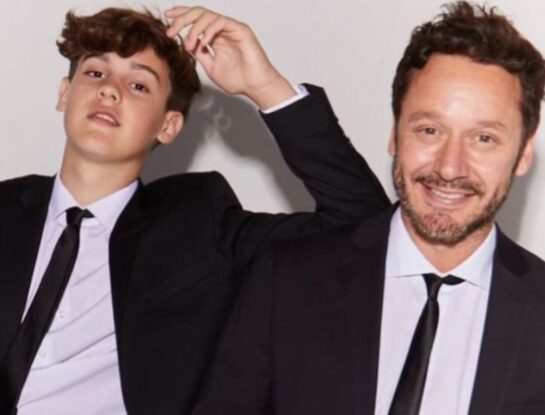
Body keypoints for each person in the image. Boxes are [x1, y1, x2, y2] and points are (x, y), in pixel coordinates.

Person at [0, 5, 389, 415]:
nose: (110, 90)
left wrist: (265, 85)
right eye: (96, 73)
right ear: (64, 94)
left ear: (168, 126)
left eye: (138, 85)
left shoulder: (200, 226)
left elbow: (364, 227)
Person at [192, 2, 545, 415]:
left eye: (484, 138)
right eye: (429, 130)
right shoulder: (287, 279)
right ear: (394, 135)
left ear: (523, 153)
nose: (450, 167)